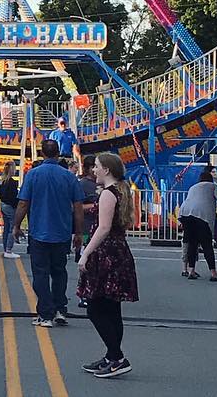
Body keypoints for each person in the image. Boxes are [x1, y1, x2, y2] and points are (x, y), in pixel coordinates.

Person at [78, 152, 139, 378]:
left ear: (106, 169)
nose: (93, 170)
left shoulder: (107, 194)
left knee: (95, 307)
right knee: (112, 308)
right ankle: (111, 356)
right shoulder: (120, 191)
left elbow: (103, 228)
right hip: (118, 252)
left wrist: (86, 253)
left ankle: (117, 356)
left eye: (96, 167)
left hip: (106, 255)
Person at [14, 139, 85, 327]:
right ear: (58, 153)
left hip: (39, 231)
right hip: (61, 231)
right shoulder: (69, 177)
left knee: (40, 273)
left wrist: (16, 225)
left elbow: (23, 203)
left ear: (42, 153)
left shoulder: (33, 175)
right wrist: (78, 232)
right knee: (59, 272)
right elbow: (78, 207)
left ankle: (45, 313)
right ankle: (60, 308)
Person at [179, 167, 217, 281]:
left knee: (192, 243)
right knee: (207, 244)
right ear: (210, 179)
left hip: (185, 214)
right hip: (201, 216)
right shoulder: (212, 186)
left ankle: (191, 271)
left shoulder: (193, 187)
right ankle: (213, 273)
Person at [0, 161, 21, 259]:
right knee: (12, 227)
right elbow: (13, 196)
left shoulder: (2, 181)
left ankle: (5, 248)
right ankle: (8, 249)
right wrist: (16, 204)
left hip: (3, 204)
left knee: (6, 228)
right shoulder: (12, 182)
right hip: (10, 206)